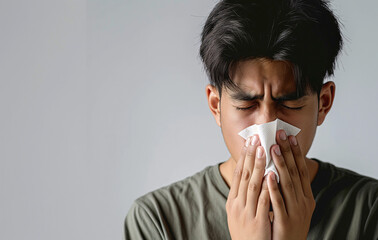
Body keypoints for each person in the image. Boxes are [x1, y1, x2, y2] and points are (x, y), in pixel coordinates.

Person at [124, 0, 378, 239]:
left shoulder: (369, 209)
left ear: (323, 103)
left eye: (289, 103)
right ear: (216, 106)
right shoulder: (158, 219)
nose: (266, 125)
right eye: (247, 105)